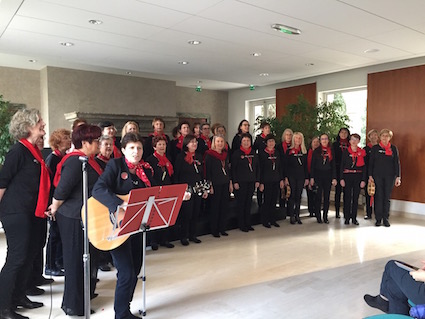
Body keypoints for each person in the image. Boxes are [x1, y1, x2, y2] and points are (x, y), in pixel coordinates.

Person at [92, 133, 155, 319]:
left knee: (135, 269)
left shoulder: (147, 170)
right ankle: (120, 314)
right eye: (132, 148)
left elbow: (154, 194)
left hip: (137, 225)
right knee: (126, 272)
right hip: (116, 226)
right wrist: (119, 205)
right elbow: (98, 190)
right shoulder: (115, 165)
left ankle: (125, 307)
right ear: (124, 149)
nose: (136, 152)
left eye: (139, 148)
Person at [47, 124, 102, 316]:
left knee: (85, 259)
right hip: (72, 217)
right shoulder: (75, 162)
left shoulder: (87, 160)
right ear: (85, 143)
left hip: (85, 216)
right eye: (96, 140)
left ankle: (83, 296)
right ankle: (74, 305)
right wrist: (54, 207)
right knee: (75, 261)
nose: (99, 143)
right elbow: (62, 190)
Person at [0, 109, 48, 319]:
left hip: (32, 212)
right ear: (28, 127)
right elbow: (2, 183)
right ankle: (3, 307)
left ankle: (19, 296)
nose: (43, 126)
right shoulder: (18, 152)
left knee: (29, 256)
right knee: (16, 258)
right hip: (16, 212)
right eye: (40, 124)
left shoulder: (34, 151)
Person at [45, 128, 72, 277]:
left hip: (62, 202)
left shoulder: (64, 157)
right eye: (66, 137)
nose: (69, 139)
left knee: (60, 234)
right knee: (54, 234)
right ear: (58, 142)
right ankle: (50, 265)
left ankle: (59, 262)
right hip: (54, 200)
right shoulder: (53, 159)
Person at [174, 134, 208, 245]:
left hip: (198, 187)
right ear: (186, 144)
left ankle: (193, 235)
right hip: (186, 189)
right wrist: (179, 191)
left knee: (195, 212)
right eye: (192, 142)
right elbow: (177, 174)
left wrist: (205, 189)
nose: (195, 144)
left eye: (196, 142)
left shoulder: (198, 156)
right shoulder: (180, 157)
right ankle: (184, 236)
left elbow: (202, 173)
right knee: (186, 214)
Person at [146, 135, 175, 249]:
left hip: (167, 189)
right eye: (159, 145)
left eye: (164, 144)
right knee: (154, 216)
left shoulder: (168, 159)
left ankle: (165, 239)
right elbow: (150, 177)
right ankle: (154, 240)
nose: (162, 147)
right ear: (154, 147)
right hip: (156, 190)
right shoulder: (150, 160)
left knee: (165, 215)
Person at [368, 129, 401, 227]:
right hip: (377, 176)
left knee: (387, 197)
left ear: (390, 138)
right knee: (378, 196)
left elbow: (397, 163)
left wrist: (398, 177)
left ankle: (386, 218)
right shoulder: (375, 148)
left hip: (390, 177)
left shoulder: (393, 148)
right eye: (383, 135)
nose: (384, 137)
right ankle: (378, 219)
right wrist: (370, 176)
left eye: (387, 136)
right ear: (380, 137)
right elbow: (371, 163)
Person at [205, 135, 232, 237]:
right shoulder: (209, 155)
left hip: (225, 183)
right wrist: (210, 185)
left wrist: (230, 182)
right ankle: (214, 229)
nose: (220, 143)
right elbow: (208, 172)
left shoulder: (225, 155)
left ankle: (222, 228)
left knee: (224, 207)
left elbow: (228, 170)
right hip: (215, 184)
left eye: (222, 141)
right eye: (218, 141)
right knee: (215, 208)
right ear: (214, 143)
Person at [231, 133, 259, 232]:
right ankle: (241, 224)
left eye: (248, 141)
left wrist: (257, 180)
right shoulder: (237, 153)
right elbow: (233, 169)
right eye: (244, 141)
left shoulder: (254, 153)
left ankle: (248, 223)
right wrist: (235, 182)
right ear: (241, 142)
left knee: (249, 203)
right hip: (240, 182)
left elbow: (257, 168)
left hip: (251, 181)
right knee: (241, 203)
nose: (246, 143)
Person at [340, 133, 366, 225]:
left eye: (356, 139)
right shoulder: (346, 152)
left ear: (359, 141)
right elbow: (341, 166)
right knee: (347, 197)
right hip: (347, 176)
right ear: (349, 141)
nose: (353, 141)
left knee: (355, 198)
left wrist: (363, 180)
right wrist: (341, 178)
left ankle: (354, 218)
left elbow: (364, 168)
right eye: (352, 139)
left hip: (358, 177)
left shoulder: (362, 152)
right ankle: (347, 217)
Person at [310, 134, 337, 224]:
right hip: (318, 176)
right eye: (322, 139)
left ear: (328, 140)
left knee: (327, 197)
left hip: (328, 176)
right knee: (318, 196)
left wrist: (334, 177)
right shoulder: (317, 151)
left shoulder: (331, 151)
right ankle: (318, 216)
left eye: (326, 139)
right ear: (320, 141)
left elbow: (333, 165)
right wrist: (312, 178)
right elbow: (312, 166)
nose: (324, 140)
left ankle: (325, 216)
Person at [258, 134, 284, 228]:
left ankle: (273, 219)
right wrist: (261, 182)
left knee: (274, 201)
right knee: (267, 201)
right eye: (269, 141)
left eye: (272, 141)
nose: (271, 143)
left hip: (276, 179)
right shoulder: (262, 153)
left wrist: (281, 179)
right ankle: (265, 220)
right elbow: (260, 169)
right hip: (266, 180)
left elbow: (280, 167)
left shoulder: (276, 152)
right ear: (266, 143)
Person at [284, 132, 308, 225]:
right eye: (296, 138)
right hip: (291, 176)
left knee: (299, 195)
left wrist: (306, 178)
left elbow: (306, 166)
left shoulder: (304, 151)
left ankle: (297, 215)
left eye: (300, 138)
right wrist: (286, 177)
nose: (298, 140)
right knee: (292, 195)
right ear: (294, 139)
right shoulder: (289, 151)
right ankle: (291, 216)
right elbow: (286, 166)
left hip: (301, 176)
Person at [332, 127, 350, 219]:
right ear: (339, 134)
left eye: (345, 132)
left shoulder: (350, 145)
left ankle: (346, 211)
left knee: (347, 192)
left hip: (347, 171)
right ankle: (337, 211)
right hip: (338, 169)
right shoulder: (335, 145)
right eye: (342, 132)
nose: (343, 134)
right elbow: (333, 159)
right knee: (338, 192)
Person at [276, 128, 293, 218]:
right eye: (287, 135)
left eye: (290, 135)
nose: (288, 136)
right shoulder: (279, 147)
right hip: (281, 171)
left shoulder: (294, 146)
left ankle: (290, 211)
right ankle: (282, 212)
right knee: (282, 192)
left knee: (290, 193)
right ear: (284, 136)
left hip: (291, 172)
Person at [364, 129, 379, 220]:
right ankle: (368, 213)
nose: (373, 137)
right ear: (369, 137)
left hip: (378, 174)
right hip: (368, 175)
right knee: (368, 194)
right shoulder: (366, 149)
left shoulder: (380, 148)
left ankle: (378, 213)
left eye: (375, 135)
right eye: (371, 135)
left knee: (378, 194)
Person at [306, 136, 320, 219]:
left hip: (318, 175)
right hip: (308, 174)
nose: (316, 143)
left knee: (317, 194)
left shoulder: (321, 152)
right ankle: (311, 210)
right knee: (310, 194)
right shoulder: (307, 152)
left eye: (317, 142)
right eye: (314, 142)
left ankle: (316, 210)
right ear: (311, 143)